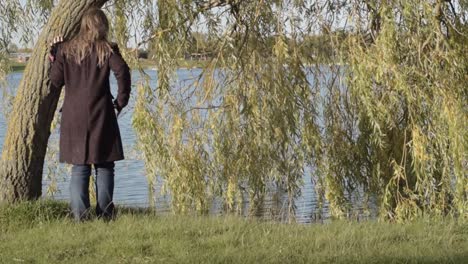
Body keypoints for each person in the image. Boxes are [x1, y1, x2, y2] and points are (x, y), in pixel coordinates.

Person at [49, 7, 131, 221]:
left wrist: (55, 53)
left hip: (73, 115)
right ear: (103, 26)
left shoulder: (65, 50)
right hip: (101, 113)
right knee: (104, 165)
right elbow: (122, 71)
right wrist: (121, 101)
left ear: (83, 26)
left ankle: (81, 218)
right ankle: (105, 216)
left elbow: (55, 81)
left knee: (80, 165)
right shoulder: (107, 49)